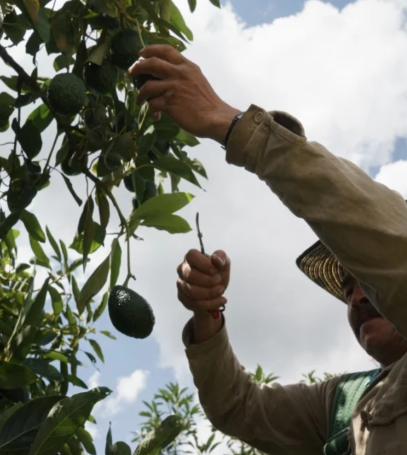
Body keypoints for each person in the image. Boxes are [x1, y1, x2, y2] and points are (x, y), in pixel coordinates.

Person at [128, 45, 407, 454]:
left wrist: (236, 127)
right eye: (348, 290)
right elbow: (239, 407)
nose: (358, 298)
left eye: (367, 281)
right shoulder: (344, 403)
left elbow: (389, 250)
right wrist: (207, 314)